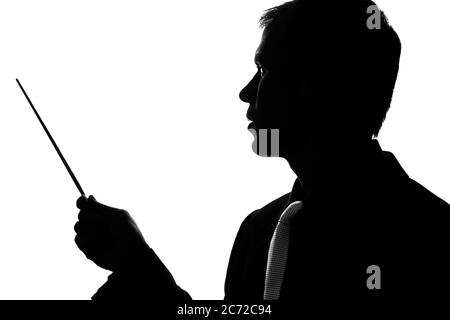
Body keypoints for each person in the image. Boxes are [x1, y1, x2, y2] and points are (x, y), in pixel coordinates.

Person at [74, 0, 450, 307]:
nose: (245, 91)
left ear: (321, 85)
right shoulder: (259, 230)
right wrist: (137, 266)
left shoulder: (432, 240)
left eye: (264, 69)